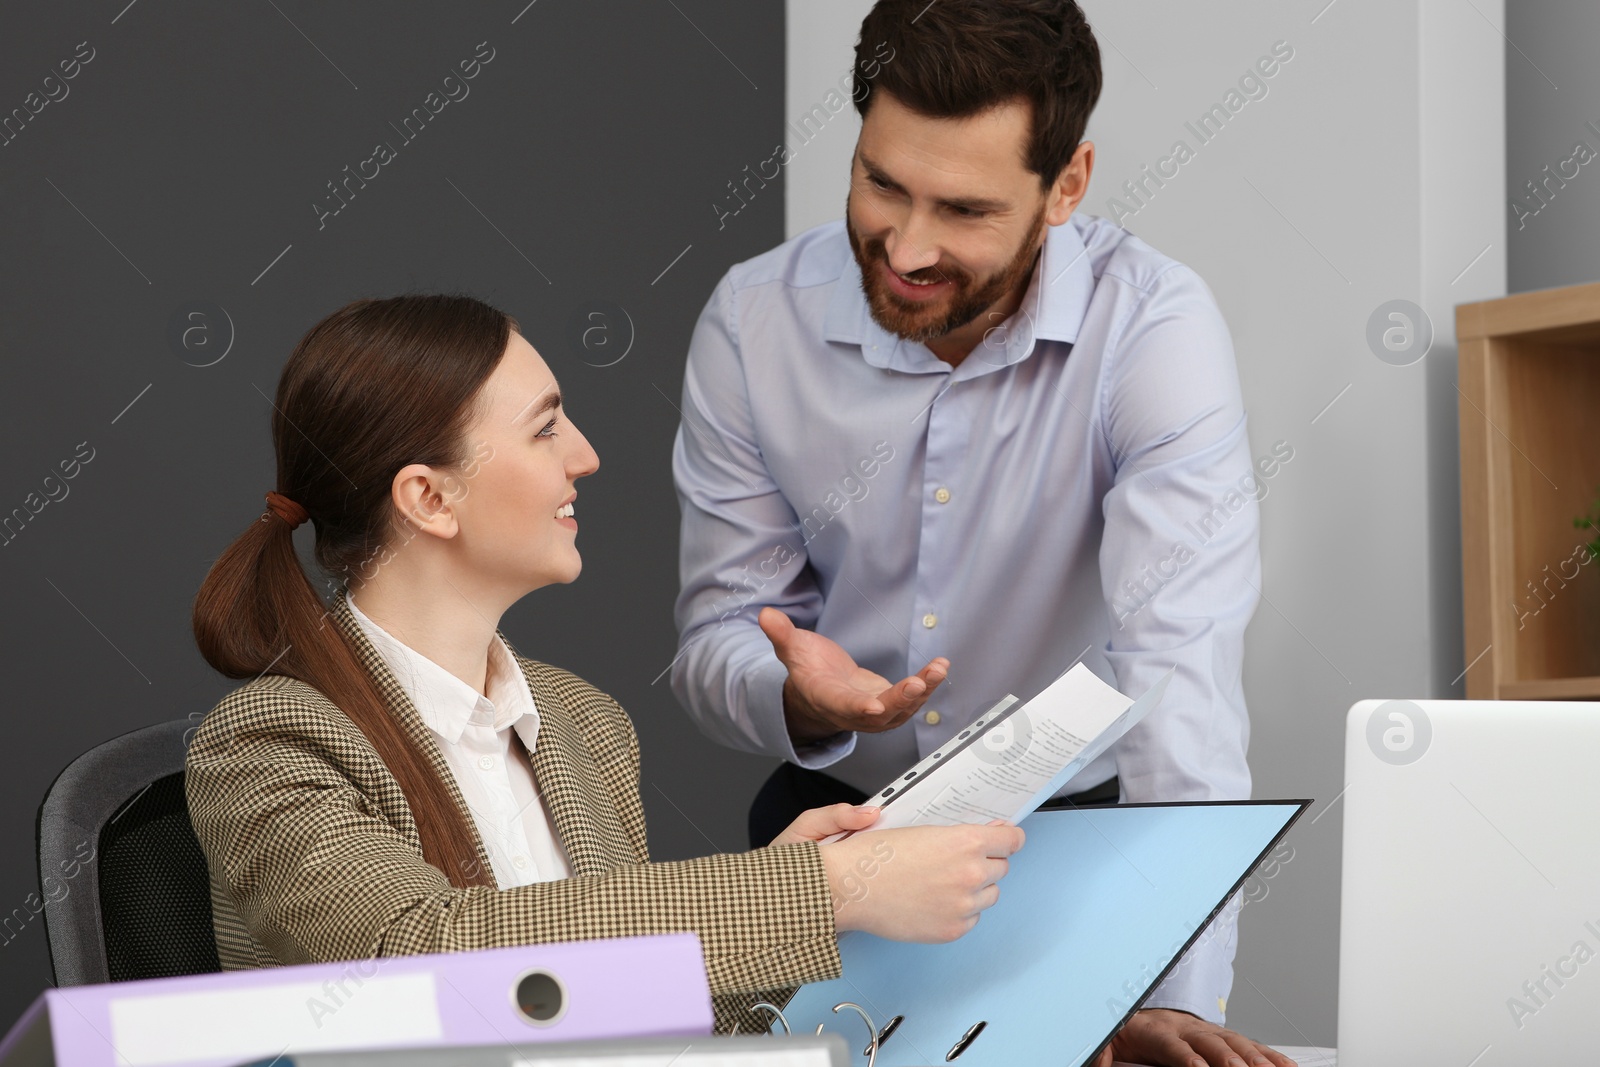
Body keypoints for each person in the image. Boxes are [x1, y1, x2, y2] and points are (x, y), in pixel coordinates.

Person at [669, 2, 1293, 1064]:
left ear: (1068, 185)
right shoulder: (752, 321)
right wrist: (793, 694)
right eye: (880, 183)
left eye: (961, 208)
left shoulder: (1152, 331)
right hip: (837, 837)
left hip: (1071, 838)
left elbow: (1178, 682)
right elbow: (715, 635)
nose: (907, 247)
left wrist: (1169, 990)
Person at [185, 293, 1024, 1036]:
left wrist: (800, 895)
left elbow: (634, 1005)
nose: (583, 455)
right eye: (546, 427)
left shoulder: (581, 719)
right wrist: (820, 888)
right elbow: (422, 954)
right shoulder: (266, 744)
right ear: (429, 498)